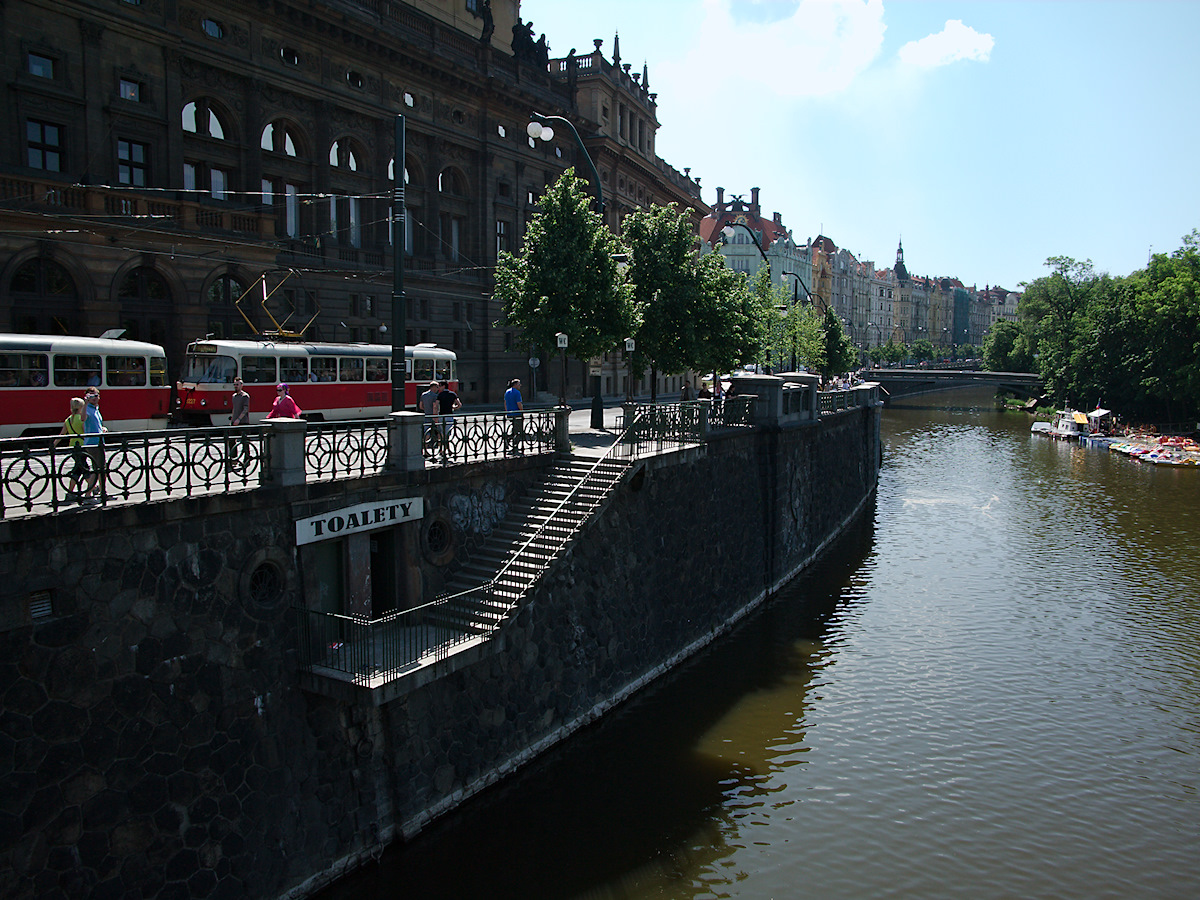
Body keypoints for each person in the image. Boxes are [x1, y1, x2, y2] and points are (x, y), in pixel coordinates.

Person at [55, 397, 89, 500]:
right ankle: (93, 487)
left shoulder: (68, 420)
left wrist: (54, 444)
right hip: (82, 446)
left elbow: (62, 434)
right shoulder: (82, 419)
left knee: (79, 469)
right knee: (84, 468)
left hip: (73, 446)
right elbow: (86, 433)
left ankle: (71, 492)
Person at [81, 389, 106, 503]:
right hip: (93, 443)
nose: (95, 398)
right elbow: (83, 419)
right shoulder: (88, 409)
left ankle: (102, 492)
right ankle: (88, 495)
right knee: (98, 470)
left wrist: (102, 429)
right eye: (92, 396)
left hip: (99, 442)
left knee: (101, 469)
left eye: (96, 395)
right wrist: (85, 404)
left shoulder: (96, 409)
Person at [227, 377, 250, 470]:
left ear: (241, 385)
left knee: (245, 441)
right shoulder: (234, 396)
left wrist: (239, 419)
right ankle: (233, 459)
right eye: (235, 384)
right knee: (231, 440)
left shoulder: (245, 396)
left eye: (237, 384)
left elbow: (245, 409)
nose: (236, 386)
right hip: (234, 422)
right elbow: (234, 409)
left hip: (243, 422)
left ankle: (247, 459)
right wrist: (233, 419)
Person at [436, 380, 461, 459]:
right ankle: (448, 450)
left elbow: (436, 406)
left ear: (444, 386)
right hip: (449, 415)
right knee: (447, 434)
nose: (439, 388)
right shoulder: (452, 394)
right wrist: (454, 407)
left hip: (442, 415)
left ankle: (442, 450)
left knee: (442, 434)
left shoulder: (440, 395)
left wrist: (435, 415)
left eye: (440, 386)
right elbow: (459, 404)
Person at [419, 380, 440, 457]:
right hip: (433, 416)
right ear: (434, 387)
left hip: (426, 415)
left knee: (426, 434)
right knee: (439, 433)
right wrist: (436, 417)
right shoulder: (435, 396)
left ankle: (425, 450)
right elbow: (435, 407)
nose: (438, 389)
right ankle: (441, 450)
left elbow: (420, 406)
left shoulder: (423, 395)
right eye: (437, 387)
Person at [504, 378, 524, 455]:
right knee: (519, 431)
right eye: (519, 384)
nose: (520, 386)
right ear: (515, 385)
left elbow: (505, 403)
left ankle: (508, 439)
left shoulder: (507, 392)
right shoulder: (517, 393)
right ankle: (514, 445)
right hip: (517, 413)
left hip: (510, 413)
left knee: (514, 428)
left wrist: (507, 412)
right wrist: (522, 411)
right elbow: (519, 403)